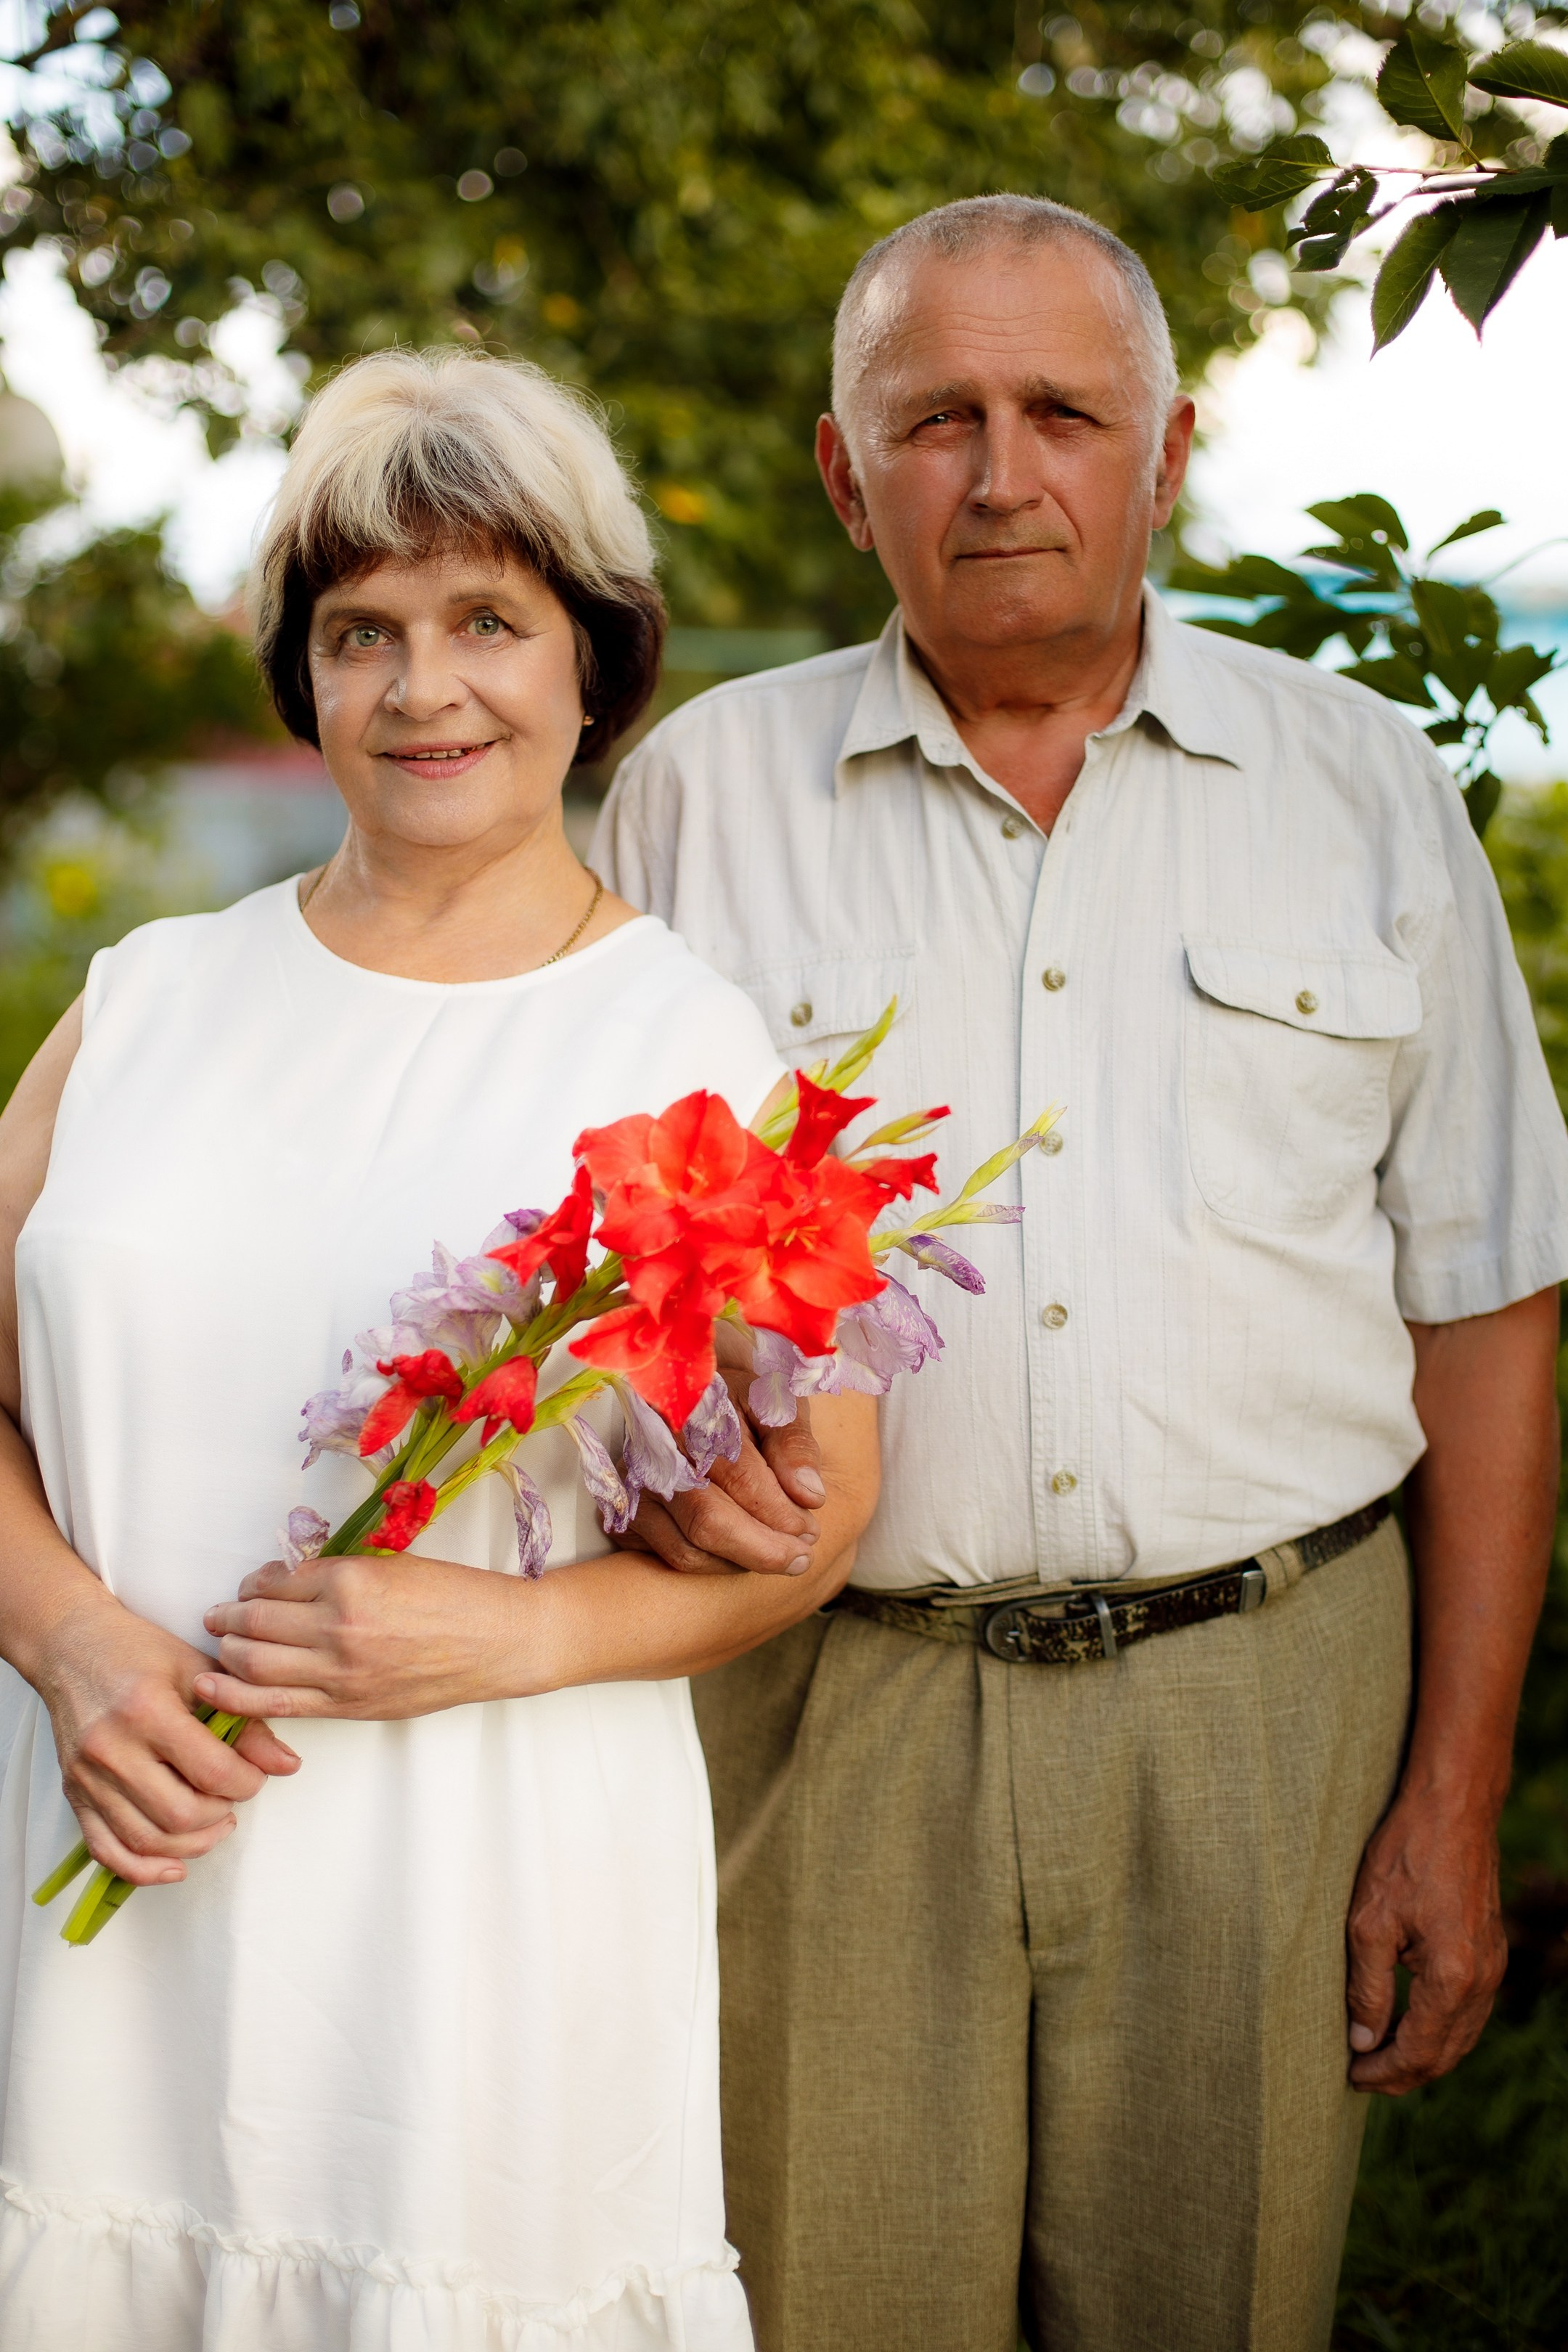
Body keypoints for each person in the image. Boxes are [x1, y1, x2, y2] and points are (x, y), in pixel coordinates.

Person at [593, 196, 1568, 2352]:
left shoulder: (1359, 789)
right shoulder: (688, 808)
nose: (1002, 473)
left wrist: (1453, 1797)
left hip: (1269, 1717)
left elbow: (1490, 1304)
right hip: (827, 1716)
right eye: (936, 418)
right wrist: (651, 1461)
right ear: (844, 473)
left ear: (1170, 452)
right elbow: (592, 1285)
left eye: (1063, 411)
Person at [0, 347, 879, 2351]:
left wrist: (522, 1632)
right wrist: (70, 1644)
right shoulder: (145, 999)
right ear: (302, 674)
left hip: (479, 1924)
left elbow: (822, 1521)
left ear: (595, 658)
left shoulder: (690, 1049)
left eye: (489, 620)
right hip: (117, 1869)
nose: (424, 689)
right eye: (362, 632)